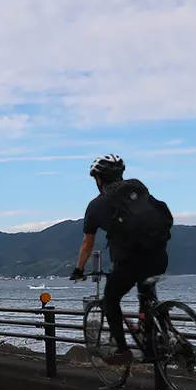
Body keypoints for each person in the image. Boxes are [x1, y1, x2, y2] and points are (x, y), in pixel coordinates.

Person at [69, 154, 173, 365]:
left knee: (110, 299)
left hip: (129, 262)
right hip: (159, 256)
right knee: (146, 295)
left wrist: (78, 269)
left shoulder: (96, 205)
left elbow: (87, 244)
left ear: (99, 179)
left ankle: (123, 351)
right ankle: (156, 344)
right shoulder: (138, 189)